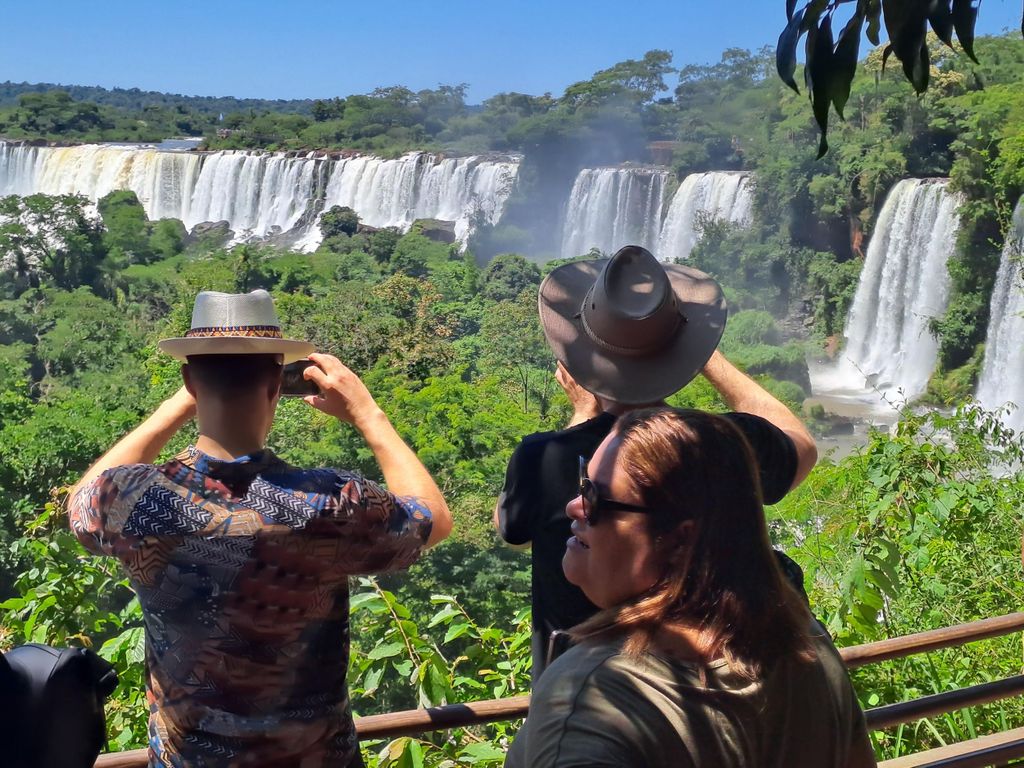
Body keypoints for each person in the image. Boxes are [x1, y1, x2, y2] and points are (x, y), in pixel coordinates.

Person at [68, 289, 452, 768]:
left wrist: (176, 408)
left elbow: (79, 502)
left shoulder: (132, 498)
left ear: (189, 380)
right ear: (276, 386)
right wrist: (368, 416)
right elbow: (432, 520)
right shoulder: (331, 502)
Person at [494, 245, 817, 678]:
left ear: (574, 363)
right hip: (709, 692)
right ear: (682, 353)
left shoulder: (544, 457)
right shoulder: (724, 446)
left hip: (582, 692)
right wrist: (698, 351)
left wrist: (579, 418)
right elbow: (802, 446)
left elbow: (511, 530)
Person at [505, 408, 875, 768]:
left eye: (596, 498)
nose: (574, 507)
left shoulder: (595, 698)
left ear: (680, 540)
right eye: (583, 484)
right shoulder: (806, 644)